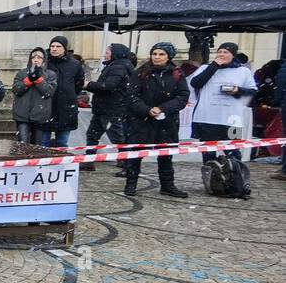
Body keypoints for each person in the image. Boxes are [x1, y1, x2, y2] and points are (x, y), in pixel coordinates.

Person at [123, 42, 190, 198]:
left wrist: (163, 108)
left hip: (167, 121)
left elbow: (182, 96)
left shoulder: (177, 74)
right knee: (136, 154)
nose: (157, 57)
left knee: (166, 155)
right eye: (155, 54)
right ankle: (131, 184)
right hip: (142, 120)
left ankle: (167, 185)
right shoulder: (140, 73)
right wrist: (147, 110)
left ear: (168, 57)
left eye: (161, 54)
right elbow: (132, 96)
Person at [189, 41, 257, 162]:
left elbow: (252, 91)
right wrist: (213, 67)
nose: (221, 54)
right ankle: (211, 176)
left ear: (233, 55)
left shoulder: (243, 71)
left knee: (233, 153)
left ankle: (235, 177)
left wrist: (237, 90)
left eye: (225, 52)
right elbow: (195, 83)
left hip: (232, 118)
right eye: (219, 51)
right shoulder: (206, 68)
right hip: (207, 118)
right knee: (208, 153)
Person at [82, 42, 135, 170]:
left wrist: (88, 85)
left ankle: (126, 162)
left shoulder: (118, 67)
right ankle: (89, 161)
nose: (105, 55)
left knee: (117, 136)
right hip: (104, 108)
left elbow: (108, 86)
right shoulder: (116, 65)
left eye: (107, 52)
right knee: (92, 135)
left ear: (115, 54)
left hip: (110, 109)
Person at [43, 35, 85, 148]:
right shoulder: (44, 62)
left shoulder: (75, 64)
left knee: (62, 143)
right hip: (46, 107)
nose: (54, 49)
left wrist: (68, 94)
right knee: (43, 143)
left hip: (66, 108)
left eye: (58, 46)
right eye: (52, 46)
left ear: (64, 48)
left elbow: (79, 83)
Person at [11, 47, 57, 145]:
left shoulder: (50, 74)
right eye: (33, 57)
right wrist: (28, 81)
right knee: (23, 144)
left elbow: (49, 91)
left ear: (44, 60)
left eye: (39, 57)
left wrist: (38, 80)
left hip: (40, 116)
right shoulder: (22, 73)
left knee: (37, 145)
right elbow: (16, 89)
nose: (36, 60)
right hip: (22, 115)